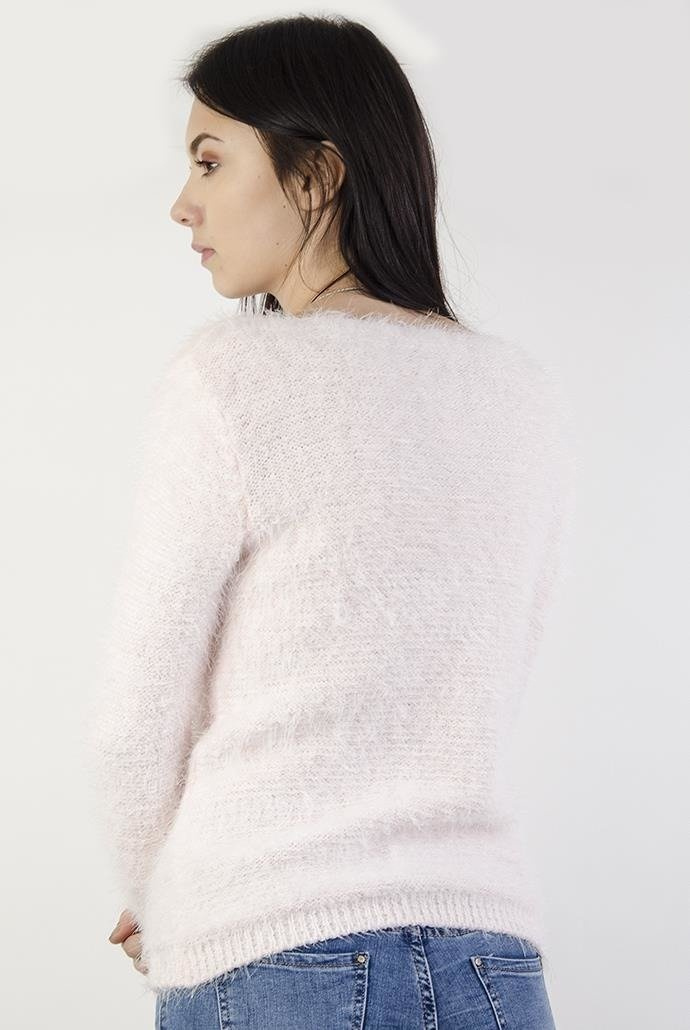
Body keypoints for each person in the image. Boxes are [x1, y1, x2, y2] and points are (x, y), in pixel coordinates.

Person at [84, 13, 575, 1029]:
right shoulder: (518, 394)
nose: (183, 203)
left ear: (317, 176)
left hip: (271, 951)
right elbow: (489, 681)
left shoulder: (230, 378)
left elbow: (140, 710)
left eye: (210, 161)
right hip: (491, 958)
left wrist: (161, 897)